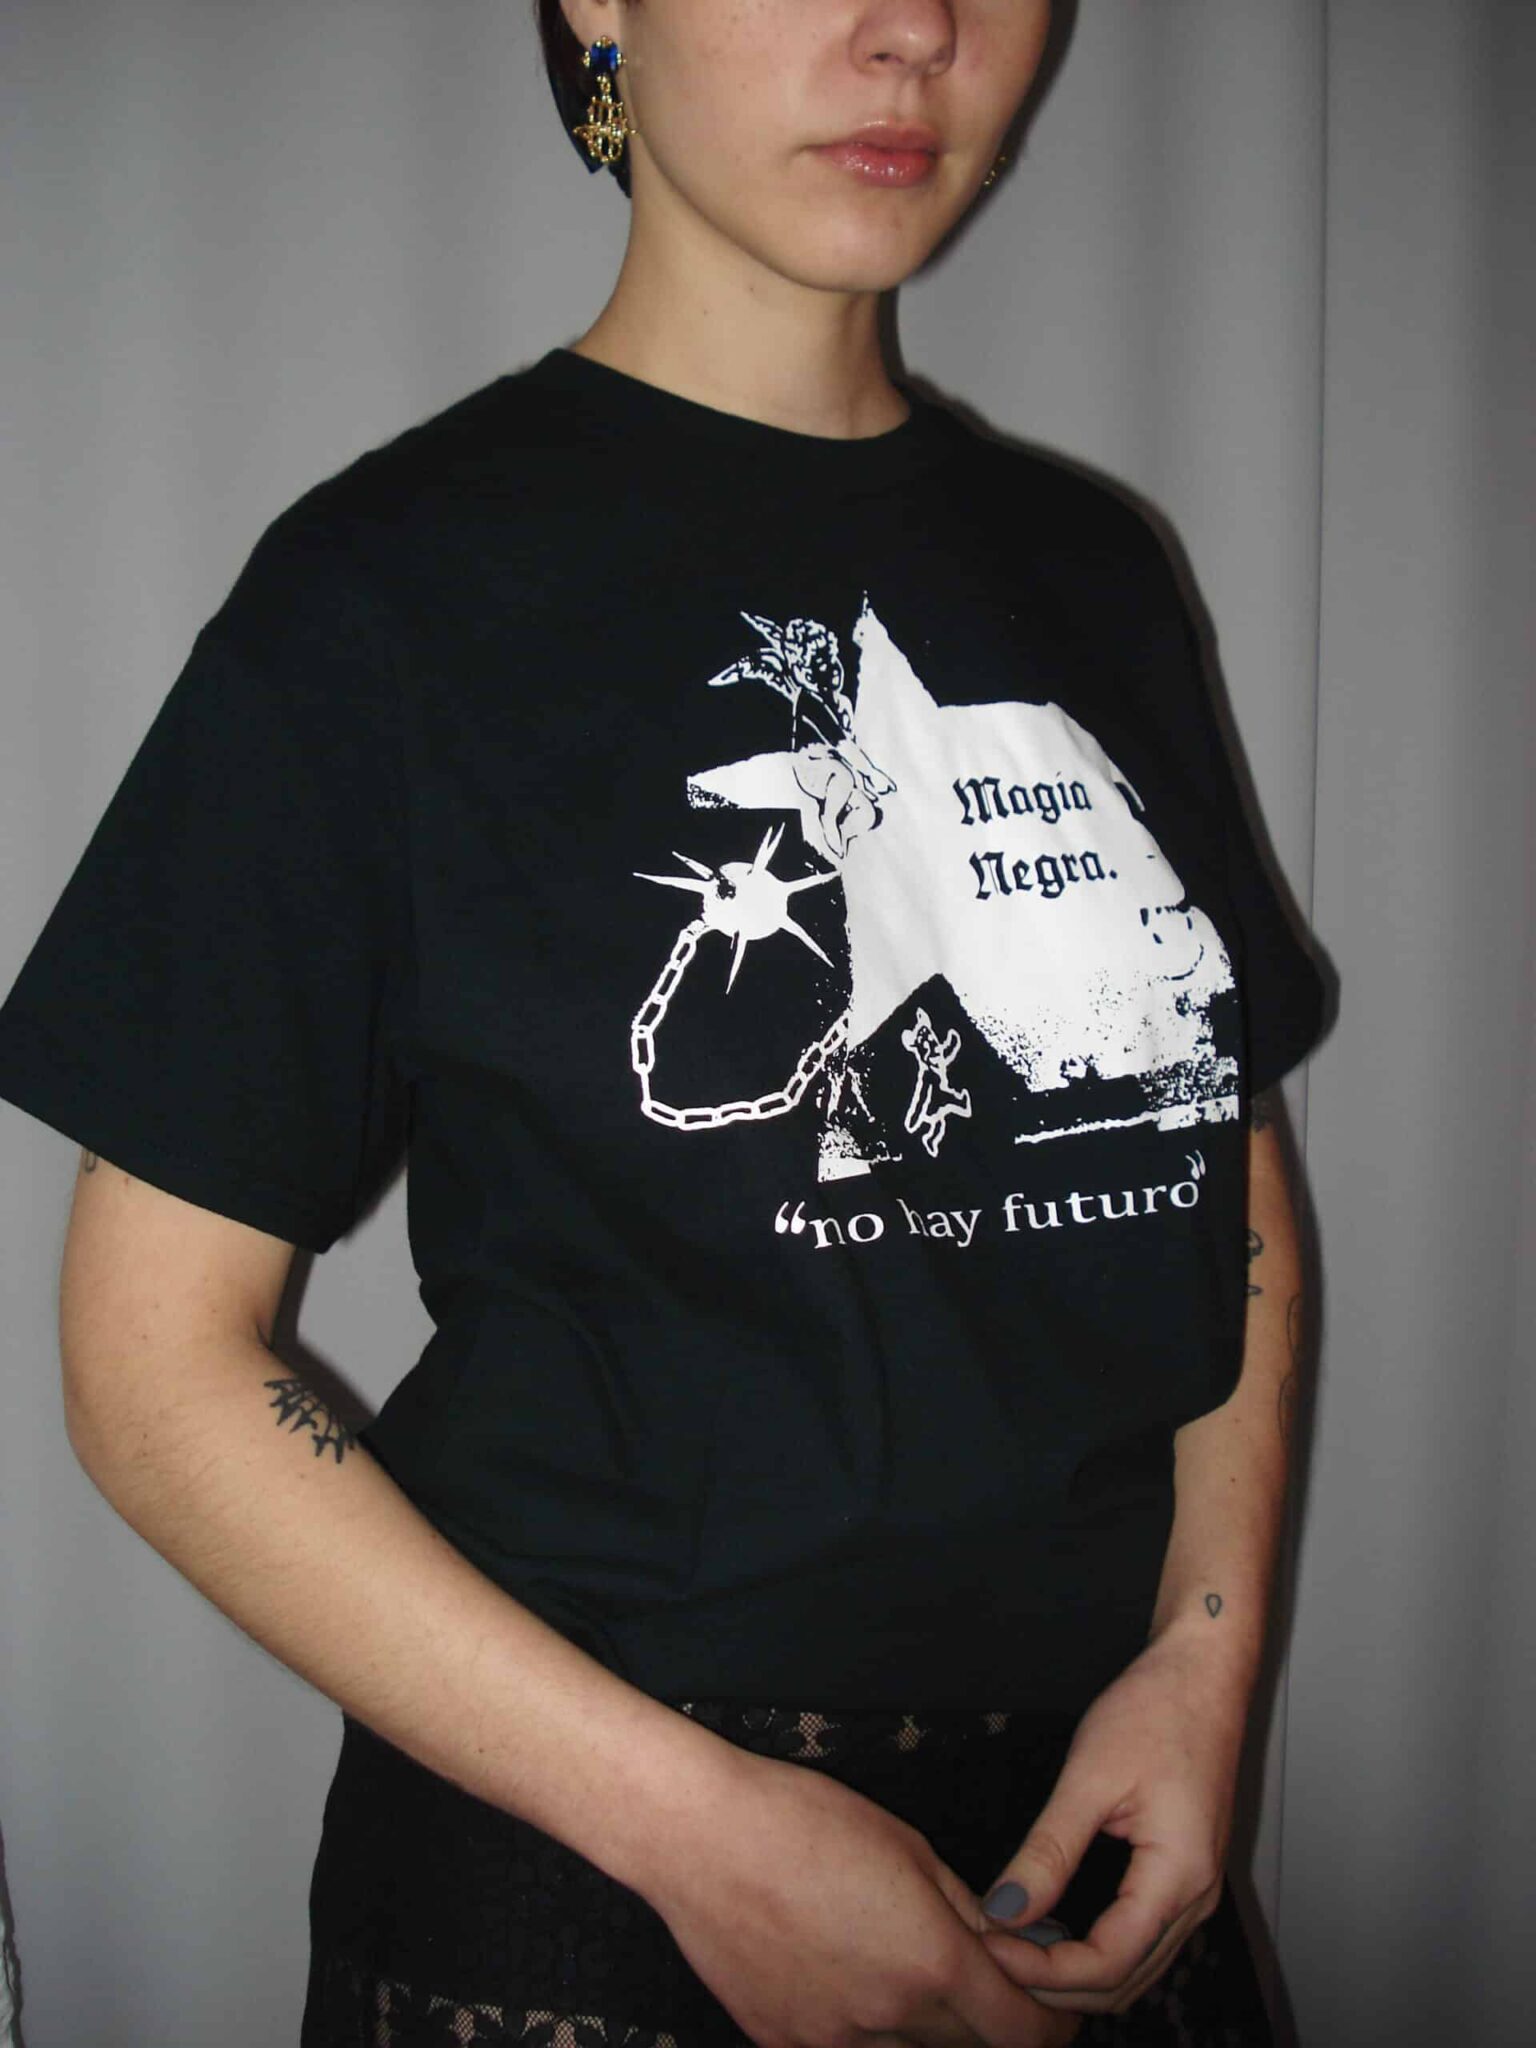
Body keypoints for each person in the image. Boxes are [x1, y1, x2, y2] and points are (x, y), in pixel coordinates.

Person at [0, 2, 1328, 2043]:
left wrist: (1203, 1665)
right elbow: (151, 1369)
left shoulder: (1093, 573)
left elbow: (1214, 1147)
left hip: (1091, 1850)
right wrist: (698, 1836)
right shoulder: (390, 591)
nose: (916, 28)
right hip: (589, 1886)